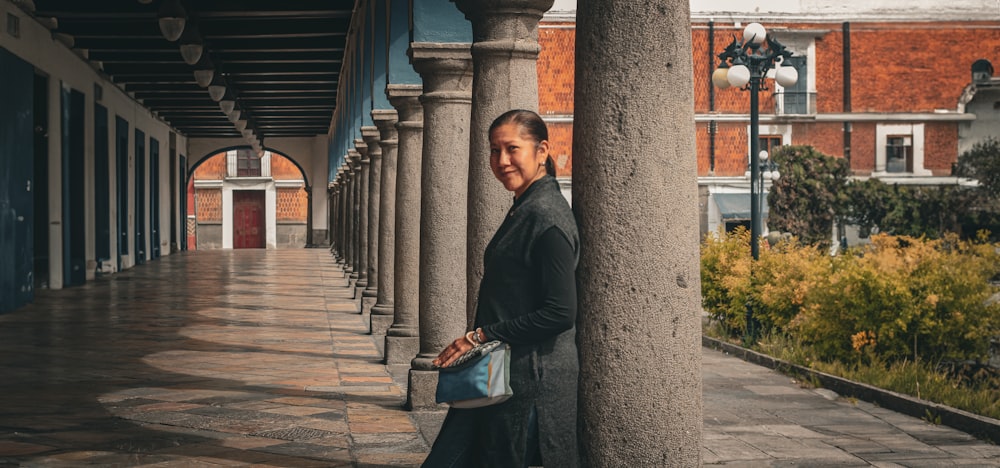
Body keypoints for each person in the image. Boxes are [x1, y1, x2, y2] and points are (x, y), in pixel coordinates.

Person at [422, 109, 580, 468]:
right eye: (494, 151)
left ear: (541, 151)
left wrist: (477, 337)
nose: (502, 160)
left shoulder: (546, 216)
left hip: (527, 383)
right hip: (495, 377)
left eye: (512, 149)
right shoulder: (525, 208)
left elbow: (560, 312)